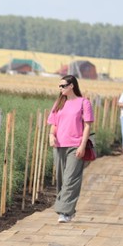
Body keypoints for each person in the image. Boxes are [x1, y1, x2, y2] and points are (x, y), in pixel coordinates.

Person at [46, 75, 93, 223]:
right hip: (59, 145)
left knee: (71, 179)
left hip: (75, 145)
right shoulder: (59, 103)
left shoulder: (83, 102)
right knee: (61, 179)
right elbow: (53, 123)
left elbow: (87, 126)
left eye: (63, 86)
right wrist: (51, 135)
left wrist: (82, 145)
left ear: (72, 85)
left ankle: (64, 212)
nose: (60, 89)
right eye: (59, 86)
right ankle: (68, 210)